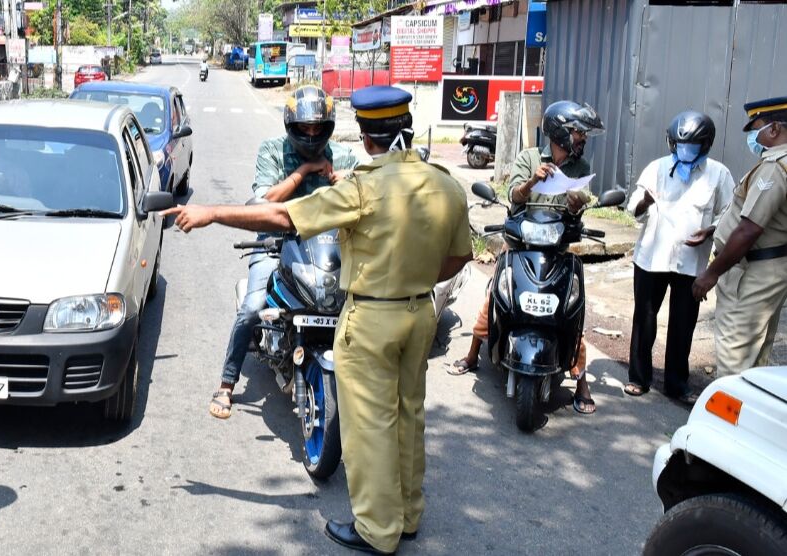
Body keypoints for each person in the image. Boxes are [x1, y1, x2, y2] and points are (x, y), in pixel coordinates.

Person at [166, 86, 472, 555]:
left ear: (365, 136)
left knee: (369, 427)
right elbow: (456, 259)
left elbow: (284, 216)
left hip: (372, 317)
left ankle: (377, 530)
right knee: (409, 415)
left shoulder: (364, 186)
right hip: (420, 313)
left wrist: (209, 213)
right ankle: (409, 516)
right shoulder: (445, 182)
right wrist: (410, 279)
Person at [209, 84, 358, 419]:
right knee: (252, 307)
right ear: (291, 126)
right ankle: (227, 383)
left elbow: (362, 196)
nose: (310, 134)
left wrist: (338, 179)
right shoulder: (272, 151)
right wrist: (303, 172)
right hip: (276, 244)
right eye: (304, 128)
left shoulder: (344, 156)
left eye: (317, 128)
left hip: (327, 249)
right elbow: (263, 202)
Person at [449, 100, 604, 415]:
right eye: (578, 132)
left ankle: (581, 380)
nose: (583, 138)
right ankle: (471, 354)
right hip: (521, 244)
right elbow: (513, 196)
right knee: (495, 297)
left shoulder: (580, 167)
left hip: (558, 248)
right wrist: (533, 180)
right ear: (561, 133)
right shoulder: (528, 157)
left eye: (584, 134)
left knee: (571, 310)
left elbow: (580, 206)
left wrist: (576, 203)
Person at [625, 111, 734, 403]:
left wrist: (710, 230)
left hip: (691, 261)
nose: (686, 151)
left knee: (683, 324)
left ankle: (676, 383)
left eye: (693, 146)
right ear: (672, 143)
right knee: (644, 318)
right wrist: (645, 201)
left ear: (706, 144)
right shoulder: (657, 168)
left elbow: (729, 214)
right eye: (681, 145)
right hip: (652, 258)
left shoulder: (718, 174)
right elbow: (632, 206)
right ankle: (639, 377)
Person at [693, 96, 787, 377]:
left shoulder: (775, 167)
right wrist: (715, 230)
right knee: (756, 357)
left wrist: (710, 274)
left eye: (755, 129)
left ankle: (728, 418)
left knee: (735, 359)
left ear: (773, 130)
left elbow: (750, 228)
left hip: (751, 272)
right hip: (771, 266)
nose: (752, 137)